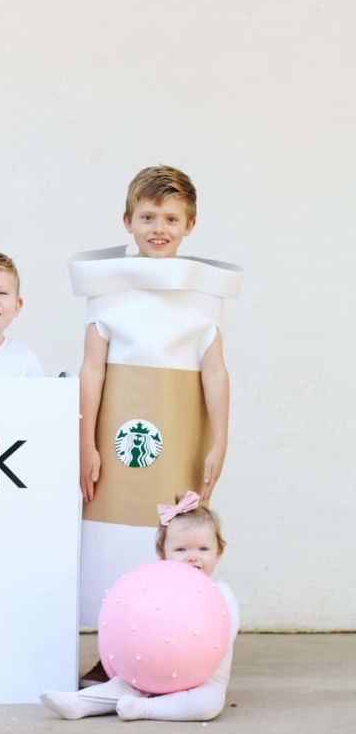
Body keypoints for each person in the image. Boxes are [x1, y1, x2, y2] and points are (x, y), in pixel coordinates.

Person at [68, 166, 243, 632]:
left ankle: (172, 637)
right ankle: (115, 646)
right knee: (112, 536)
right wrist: (86, 441)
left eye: (170, 219)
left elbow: (215, 371)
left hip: (179, 435)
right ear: (127, 221)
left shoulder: (204, 296)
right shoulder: (106, 291)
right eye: (147, 218)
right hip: (116, 438)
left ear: (190, 225)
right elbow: (92, 369)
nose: (158, 229)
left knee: (173, 530)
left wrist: (219, 442)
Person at [40, 496, 239, 721]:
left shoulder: (220, 593)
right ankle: (80, 703)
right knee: (124, 684)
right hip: (153, 670)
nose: (193, 557)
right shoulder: (155, 588)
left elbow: (223, 637)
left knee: (208, 703)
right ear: (162, 554)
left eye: (203, 549)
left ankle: (145, 709)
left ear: (218, 552)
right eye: (181, 549)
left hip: (201, 679)